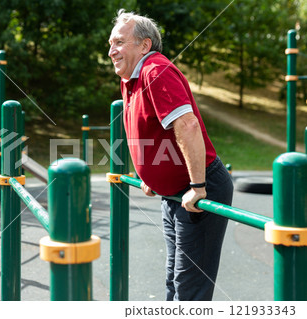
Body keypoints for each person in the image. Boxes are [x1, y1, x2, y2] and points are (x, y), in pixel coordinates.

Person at [108, 9, 233, 301]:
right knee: (174, 281)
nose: (112, 51)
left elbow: (187, 125)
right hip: (174, 193)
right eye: (110, 44)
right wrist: (149, 174)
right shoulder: (131, 79)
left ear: (144, 45)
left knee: (189, 288)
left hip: (199, 188)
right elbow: (148, 131)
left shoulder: (156, 71)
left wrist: (198, 187)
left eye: (119, 43)